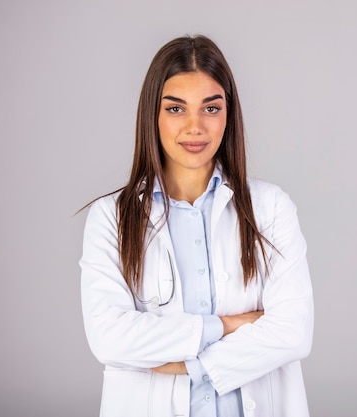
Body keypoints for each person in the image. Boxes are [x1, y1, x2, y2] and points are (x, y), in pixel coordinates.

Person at [79, 34, 314, 417]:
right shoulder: (112, 218)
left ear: (229, 114)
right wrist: (227, 325)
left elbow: (292, 333)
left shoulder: (270, 208)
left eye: (210, 108)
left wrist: (190, 365)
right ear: (152, 115)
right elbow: (111, 340)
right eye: (175, 109)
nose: (194, 126)